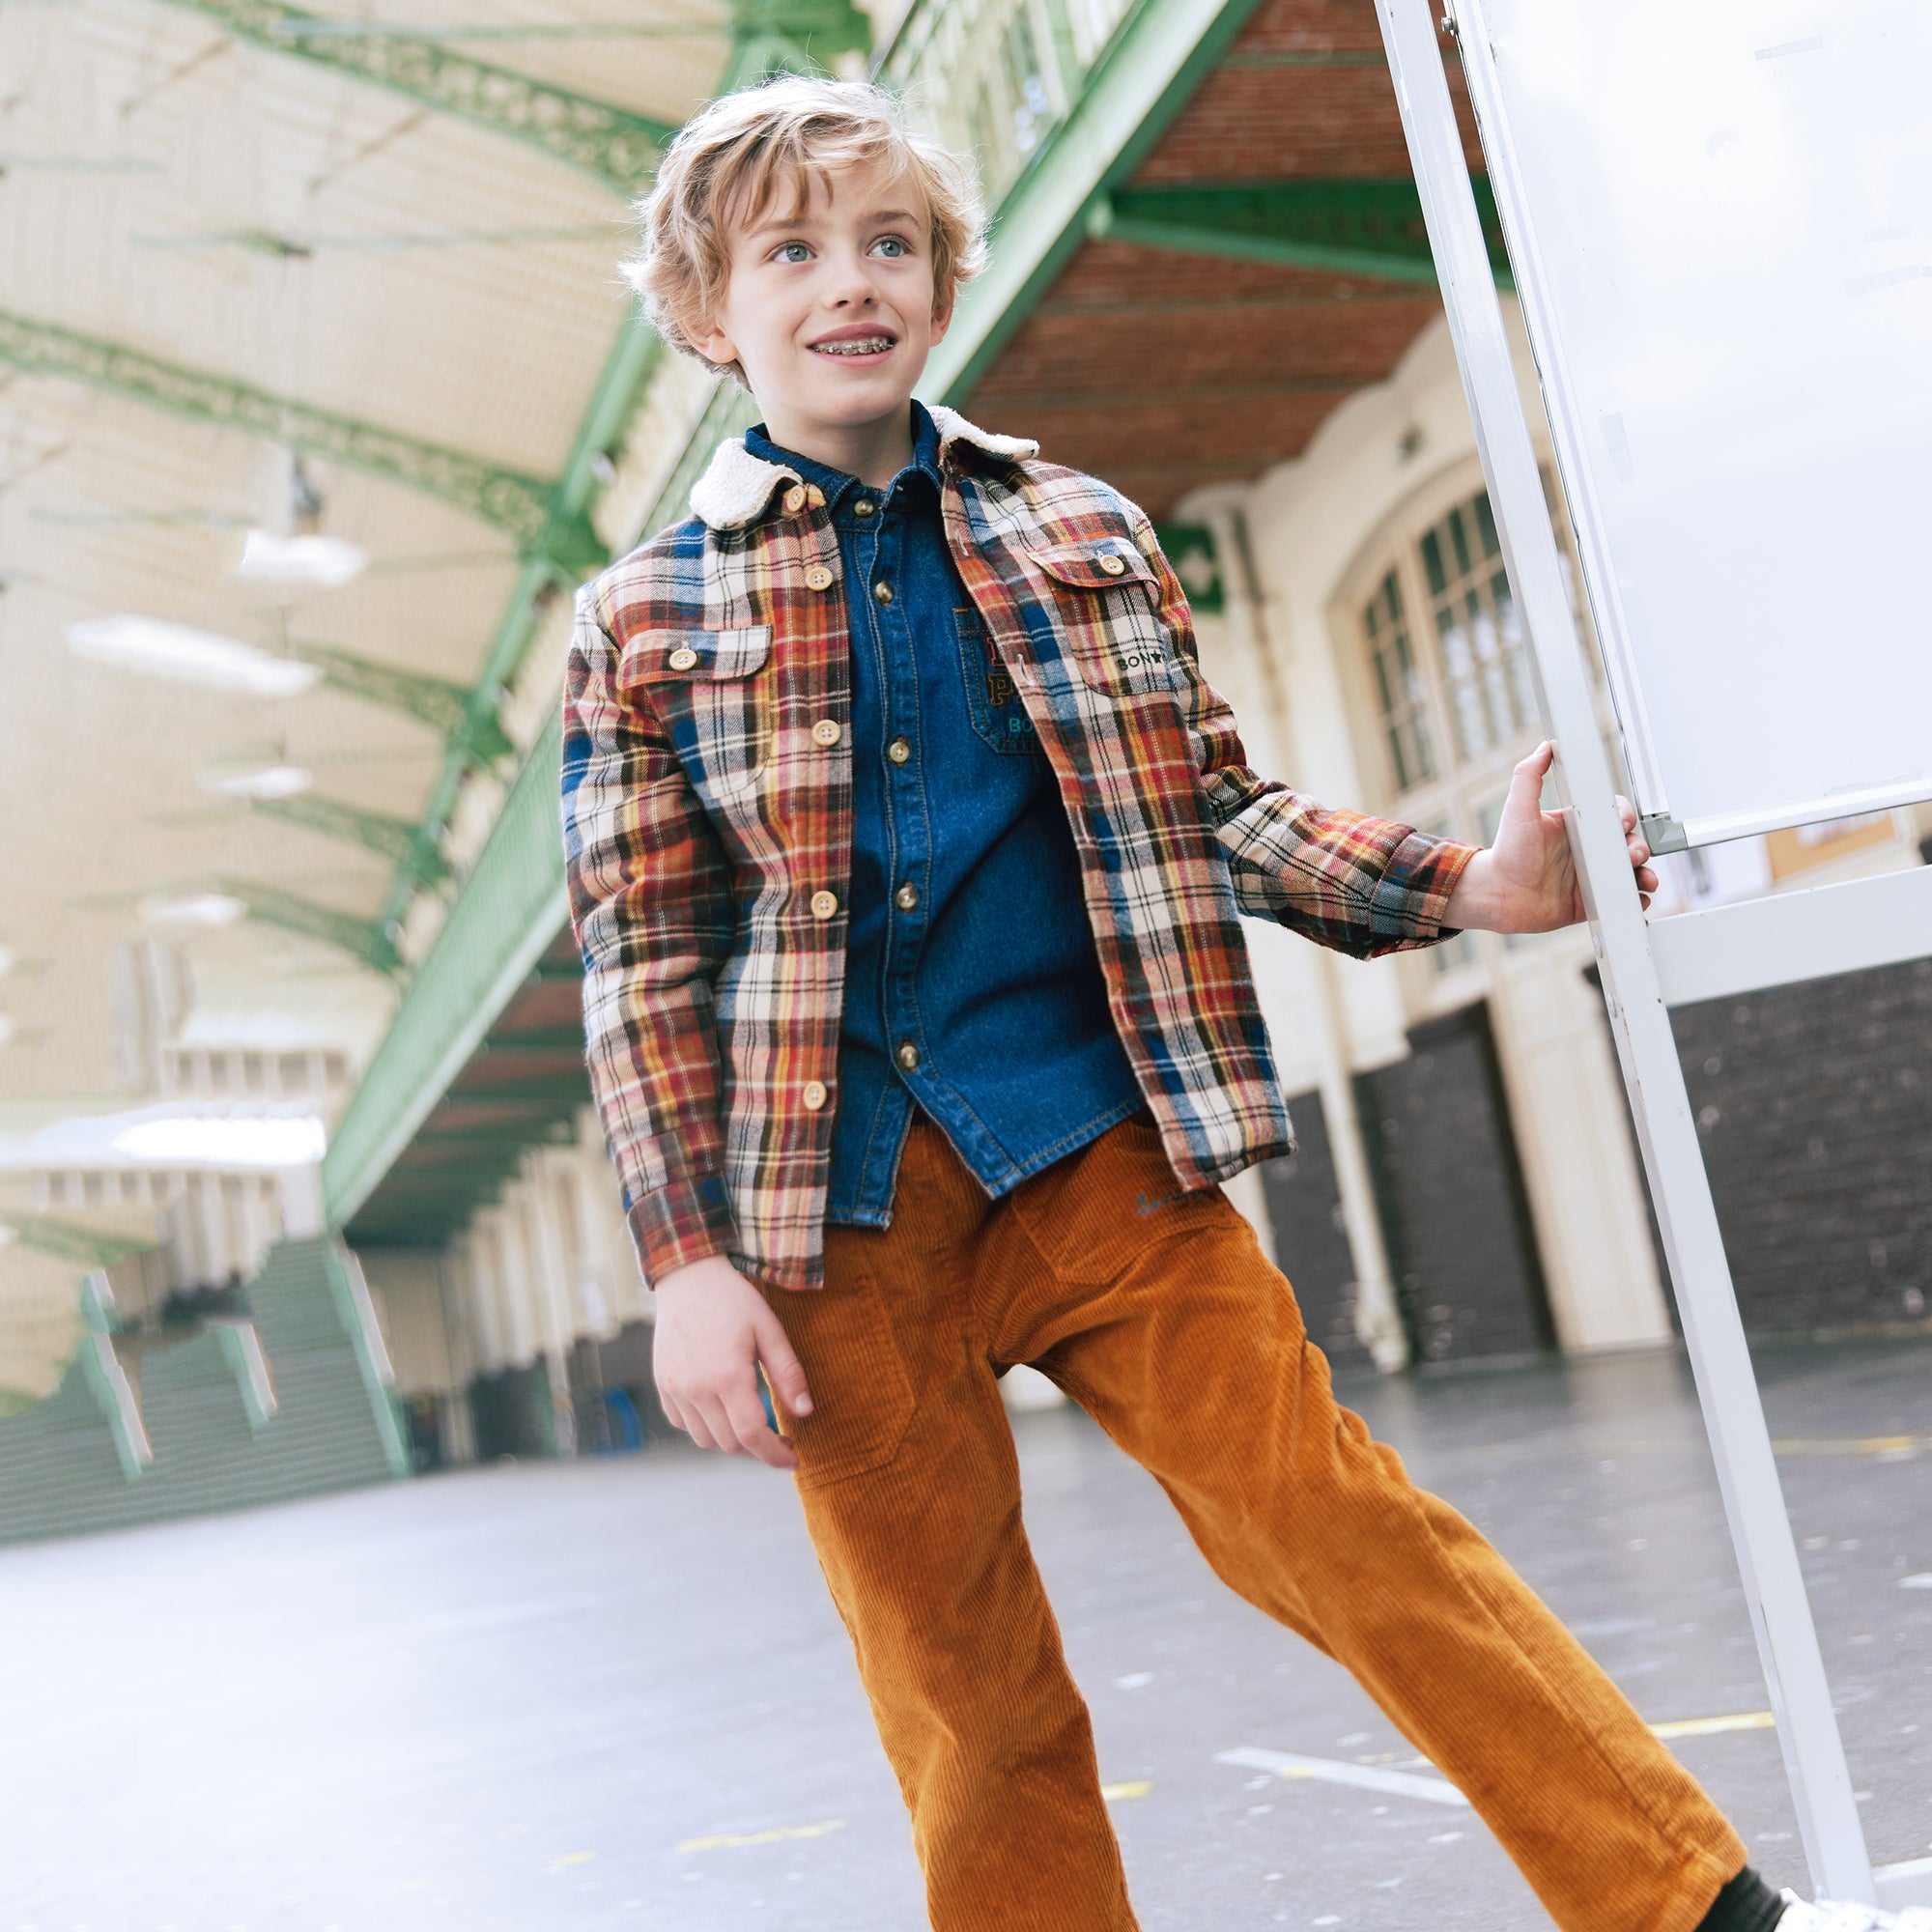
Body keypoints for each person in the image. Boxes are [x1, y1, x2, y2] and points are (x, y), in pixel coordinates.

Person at [561, 73, 1917, 1932]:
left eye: (888, 242)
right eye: (790, 253)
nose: (849, 280)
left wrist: (1471, 886)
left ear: (940, 283)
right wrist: (686, 1267)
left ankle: (1688, 1906)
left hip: (1098, 1155)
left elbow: (1213, 809)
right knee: (969, 1703)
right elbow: (639, 954)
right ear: (711, 313)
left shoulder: (1081, 528)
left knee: (1349, 1536)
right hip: (833, 1228)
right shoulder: (638, 620)